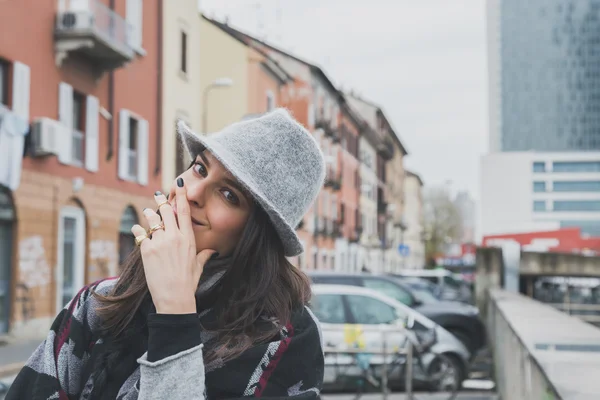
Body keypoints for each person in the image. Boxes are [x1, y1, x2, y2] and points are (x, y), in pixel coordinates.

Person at [7, 109, 326, 399]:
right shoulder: (100, 301)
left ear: (257, 234)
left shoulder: (287, 339)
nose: (193, 192)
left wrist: (174, 315)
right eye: (200, 168)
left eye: (229, 195)